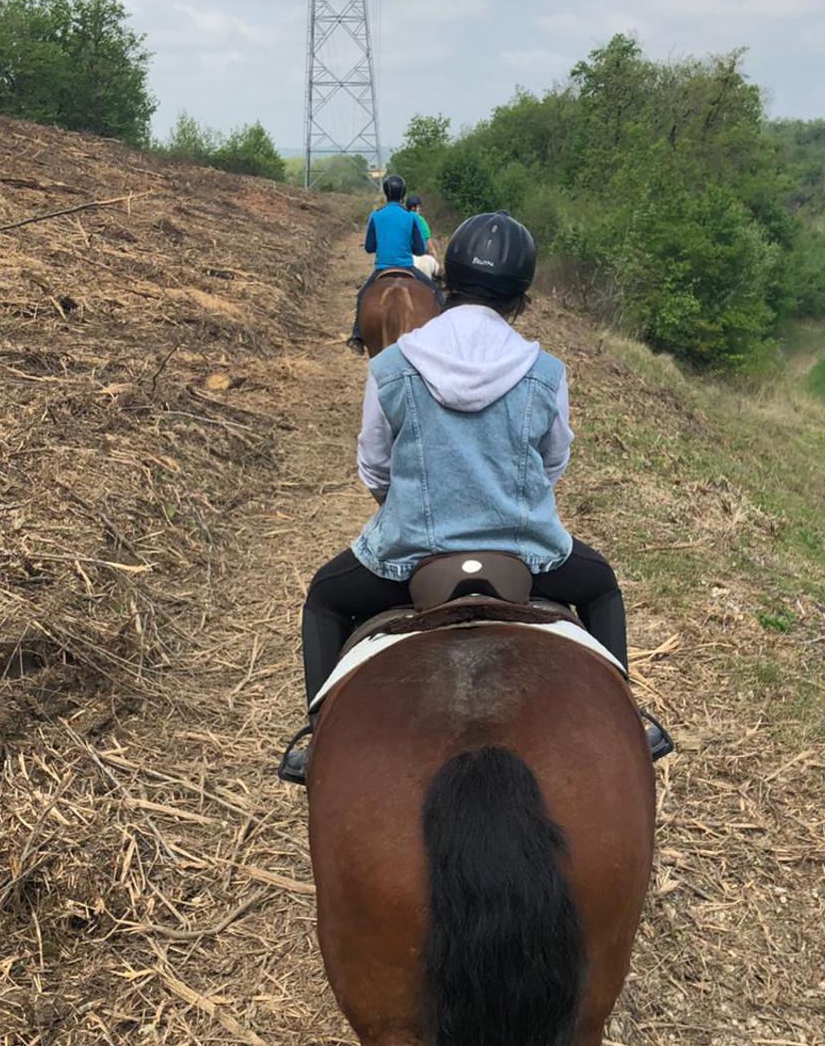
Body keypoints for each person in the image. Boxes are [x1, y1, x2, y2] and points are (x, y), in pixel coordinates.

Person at [281, 211, 671, 781]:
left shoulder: (392, 364)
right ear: (521, 299)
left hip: (408, 554)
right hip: (526, 556)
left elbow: (374, 464)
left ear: (446, 282)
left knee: (324, 599)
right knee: (602, 585)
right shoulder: (544, 371)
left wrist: (413, 502)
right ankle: (631, 721)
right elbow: (553, 458)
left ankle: (318, 744)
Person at [347, 173, 428, 351]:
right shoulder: (411, 217)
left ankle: (357, 336)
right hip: (407, 267)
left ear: (385, 193)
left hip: (382, 269)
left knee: (362, 296)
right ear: (403, 194)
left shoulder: (376, 216)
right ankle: (441, 335)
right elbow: (421, 249)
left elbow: (369, 247)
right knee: (436, 292)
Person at [406, 193, 439, 283]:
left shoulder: (403, 218)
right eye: (419, 207)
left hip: (405, 255)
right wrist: (434, 255)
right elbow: (428, 240)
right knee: (435, 283)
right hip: (420, 256)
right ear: (415, 207)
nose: (420, 209)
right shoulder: (420, 219)